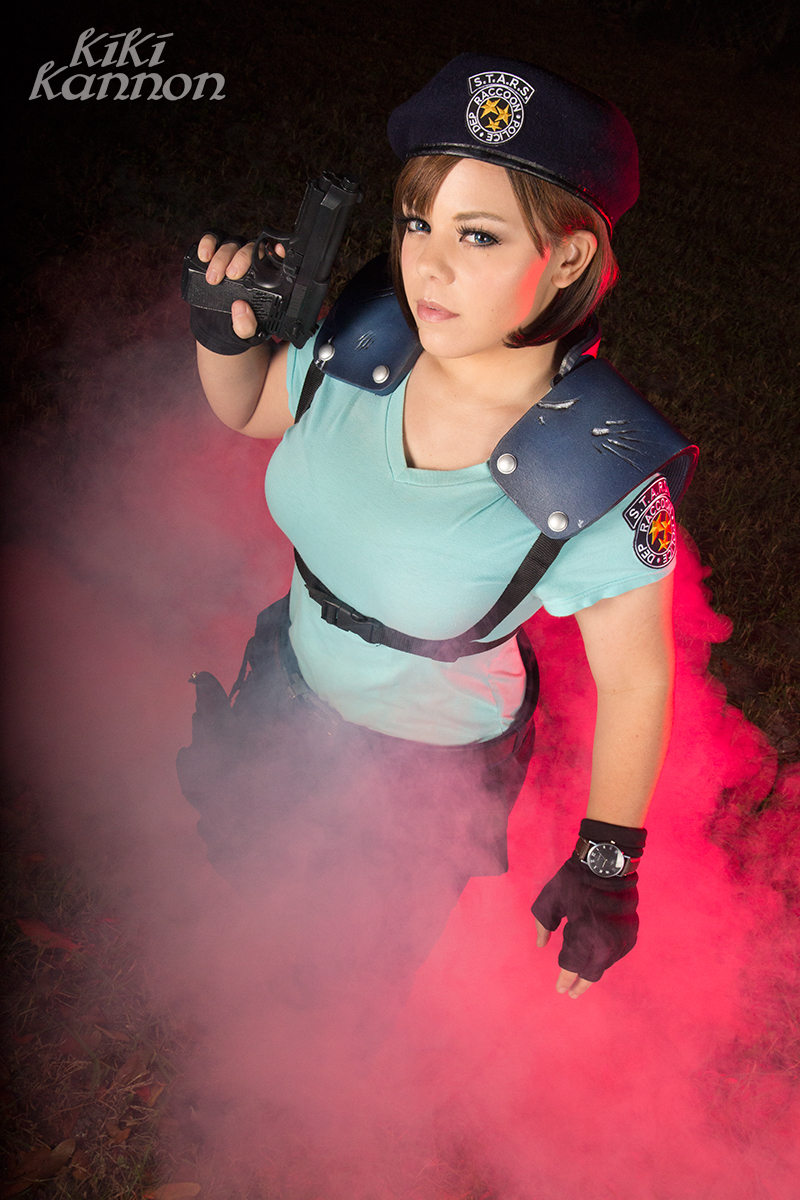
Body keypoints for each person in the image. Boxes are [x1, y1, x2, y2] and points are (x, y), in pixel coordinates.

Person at [177, 54, 696, 1014]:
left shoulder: (605, 468)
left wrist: (607, 865)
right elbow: (252, 410)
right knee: (260, 872)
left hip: (420, 773)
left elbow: (638, 680)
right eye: (419, 222)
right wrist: (223, 336)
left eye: (479, 235)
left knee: (346, 988)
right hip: (291, 681)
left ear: (570, 258)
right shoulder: (367, 336)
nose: (429, 265)